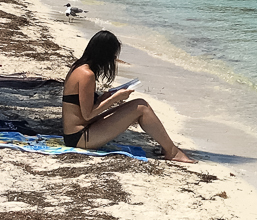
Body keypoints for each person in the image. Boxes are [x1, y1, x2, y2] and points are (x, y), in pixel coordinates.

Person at [61, 30, 195, 163]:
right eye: (112, 55)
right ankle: (172, 152)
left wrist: (105, 97)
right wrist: (115, 98)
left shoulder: (78, 67)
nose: (113, 59)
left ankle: (169, 148)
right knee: (141, 107)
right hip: (80, 137)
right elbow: (88, 115)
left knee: (140, 104)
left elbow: (82, 108)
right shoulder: (86, 74)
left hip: (81, 131)